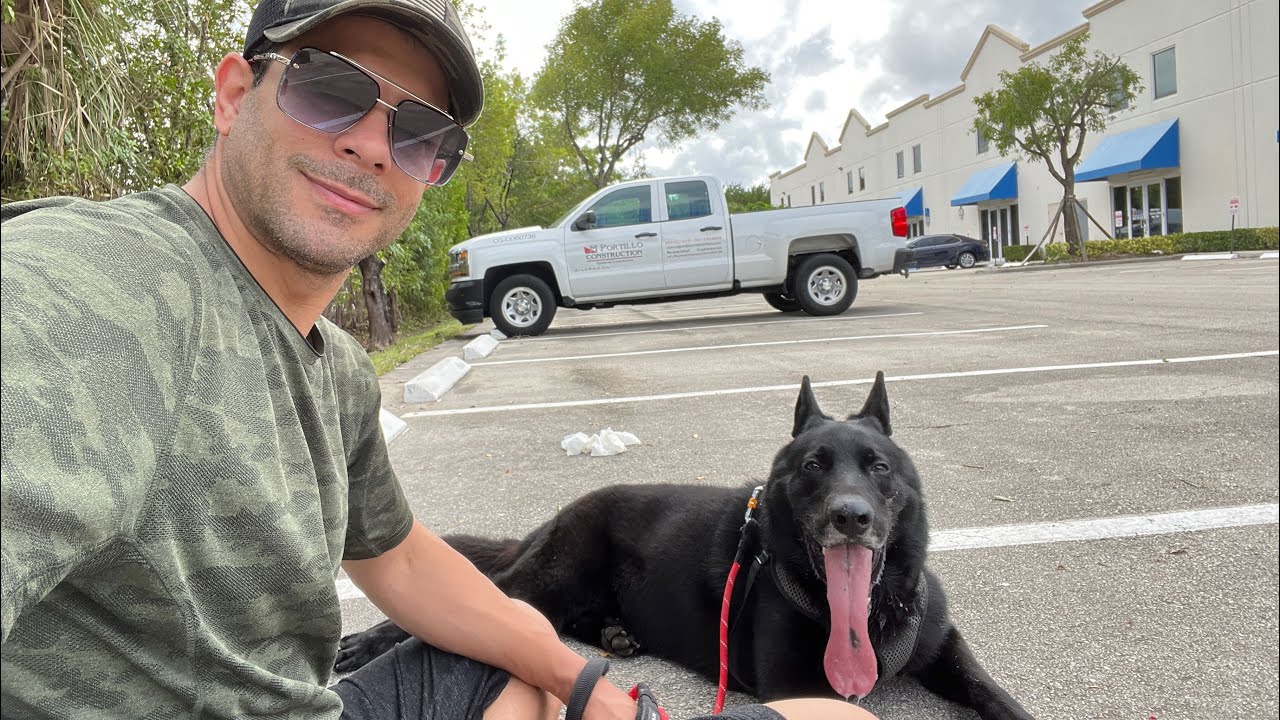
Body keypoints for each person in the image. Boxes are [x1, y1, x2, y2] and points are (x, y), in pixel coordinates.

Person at [0, 1, 879, 719]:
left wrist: (583, 686)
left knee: (533, 676)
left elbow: (407, 561)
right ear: (235, 93)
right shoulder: (109, 286)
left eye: (420, 134)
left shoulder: (333, 369)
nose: (373, 145)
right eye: (329, 87)